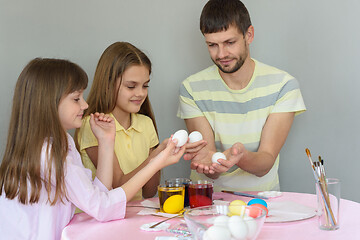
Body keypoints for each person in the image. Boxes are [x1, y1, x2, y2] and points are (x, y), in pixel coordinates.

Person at [0, 58, 184, 240]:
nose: (85, 105)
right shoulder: (48, 153)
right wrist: (156, 162)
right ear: (48, 103)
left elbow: (98, 196)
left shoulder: (62, 141)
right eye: (76, 98)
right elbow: (103, 208)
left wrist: (106, 142)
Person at [178, 0, 306, 192]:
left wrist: (241, 156)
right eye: (212, 45)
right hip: (206, 203)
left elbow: (265, 162)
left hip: (261, 203)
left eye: (230, 43)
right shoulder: (191, 89)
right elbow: (209, 168)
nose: (221, 54)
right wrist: (210, 163)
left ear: (249, 35)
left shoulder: (284, 86)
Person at [75, 42, 194, 201]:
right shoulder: (94, 125)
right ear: (108, 84)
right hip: (99, 220)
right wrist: (155, 159)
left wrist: (161, 154)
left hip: (132, 215)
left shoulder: (145, 124)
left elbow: (149, 192)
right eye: (131, 86)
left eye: (145, 86)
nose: (140, 93)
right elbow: (118, 186)